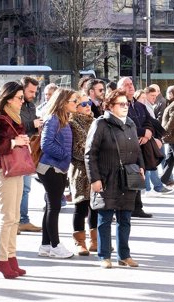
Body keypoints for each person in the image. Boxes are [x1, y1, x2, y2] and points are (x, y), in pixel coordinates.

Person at [85, 88, 145, 268]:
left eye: (126, 103)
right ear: (110, 106)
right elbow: (90, 154)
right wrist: (94, 179)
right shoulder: (101, 124)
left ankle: (124, 255)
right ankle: (104, 256)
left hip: (128, 177)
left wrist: (141, 165)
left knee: (125, 218)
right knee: (104, 218)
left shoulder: (131, 124)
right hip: (107, 177)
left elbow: (137, 148)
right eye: (121, 104)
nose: (125, 107)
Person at [0, 81, 29, 279]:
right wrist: (15, 141)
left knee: (14, 218)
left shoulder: (14, 118)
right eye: (20, 97)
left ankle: (11, 257)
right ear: (8, 98)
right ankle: (1, 259)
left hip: (15, 169)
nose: (23, 101)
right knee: (7, 217)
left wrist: (22, 140)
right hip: (4, 171)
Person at [37, 88, 78, 259]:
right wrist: (65, 155)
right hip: (50, 168)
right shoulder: (53, 119)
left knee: (50, 207)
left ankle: (46, 245)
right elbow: (45, 144)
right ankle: (55, 245)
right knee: (54, 207)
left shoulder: (62, 119)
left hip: (57, 168)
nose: (77, 104)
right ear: (63, 102)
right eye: (74, 101)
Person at [118, 77, 154, 218]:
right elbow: (124, 123)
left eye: (131, 84)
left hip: (140, 146)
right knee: (129, 176)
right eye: (126, 85)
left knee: (140, 173)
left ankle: (137, 207)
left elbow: (149, 121)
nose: (130, 87)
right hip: (126, 146)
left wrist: (147, 134)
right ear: (120, 89)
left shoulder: (138, 105)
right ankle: (128, 208)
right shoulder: (120, 104)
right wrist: (143, 132)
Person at [69, 92, 98, 256]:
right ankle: (80, 241)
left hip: (95, 170)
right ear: (76, 107)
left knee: (95, 206)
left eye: (89, 104)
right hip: (80, 171)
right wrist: (94, 154)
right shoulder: (72, 123)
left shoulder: (95, 122)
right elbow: (77, 150)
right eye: (84, 104)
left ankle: (95, 240)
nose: (88, 107)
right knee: (81, 206)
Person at [18, 76, 43, 233]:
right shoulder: (16, 103)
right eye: (31, 91)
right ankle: (15, 221)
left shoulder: (31, 106)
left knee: (26, 188)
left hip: (27, 150)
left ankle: (23, 220)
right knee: (16, 188)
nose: (33, 94)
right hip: (15, 151)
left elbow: (30, 129)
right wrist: (31, 124)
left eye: (35, 91)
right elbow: (13, 126)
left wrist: (37, 125)